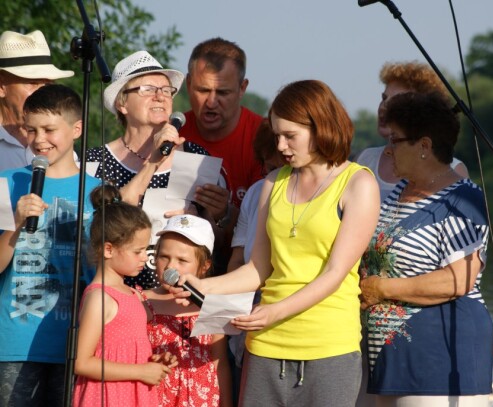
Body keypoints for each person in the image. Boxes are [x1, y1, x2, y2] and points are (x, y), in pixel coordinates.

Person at [170, 80, 380, 407]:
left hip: (329, 347)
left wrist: (274, 312)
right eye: (277, 135)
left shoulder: (358, 183)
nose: (281, 146)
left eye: (290, 136)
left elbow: (335, 274)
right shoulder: (272, 182)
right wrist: (203, 286)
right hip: (265, 345)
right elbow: (257, 269)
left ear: (321, 127)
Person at [359, 91, 492, 407]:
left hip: (438, 355)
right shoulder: (398, 193)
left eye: (395, 141)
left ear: (424, 146)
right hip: (390, 358)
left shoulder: (462, 199)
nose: (388, 151)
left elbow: (458, 280)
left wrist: (382, 288)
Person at [87, 50, 227, 288]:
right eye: (148, 89)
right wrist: (153, 161)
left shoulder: (197, 157)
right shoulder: (94, 163)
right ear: (122, 103)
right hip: (117, 301)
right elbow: (92, 235)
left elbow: (221, 245)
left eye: (165, 90)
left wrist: (216, 217)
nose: (160, 97)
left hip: (177, 304)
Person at [0, 84, 100, 406]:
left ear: (77, 128)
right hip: (15, 343)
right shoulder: (9, 181)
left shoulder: (99, 192)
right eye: (31, 130)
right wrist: (14, 227)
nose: (39, 140)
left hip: (75, 345)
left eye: (49, 129)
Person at [73, 184, 177, 407]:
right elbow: (81, 362)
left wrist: (153, 362)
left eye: (146, 249)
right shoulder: (100, 298)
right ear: (108, 249)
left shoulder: (131, 293)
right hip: (107, 397)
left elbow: (127, 350)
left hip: (133, 394)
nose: (144, 258)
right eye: (137, 251)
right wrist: (141, 371)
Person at [140, 214, 233, 407]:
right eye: (164, 256)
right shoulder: (142, 300)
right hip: (156, 397)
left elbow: (219, 362)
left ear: (204, 266)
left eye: (182, 260)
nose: (171, 266)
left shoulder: (210, 304)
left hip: (203, 398)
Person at [226, 119, 283, 405]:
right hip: (249, 321)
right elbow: (238, 261)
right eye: (271, 169)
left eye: (283, 167)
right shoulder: (256, 193)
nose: (276, 178)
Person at [355, 61, 468, 201]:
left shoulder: (453, 170)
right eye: (384, 98)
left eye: (396, 101)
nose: (384, 107)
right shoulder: (364, 159)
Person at [181, 37, 264, 213]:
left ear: (242, 88)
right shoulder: (171, 134)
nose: (211, 102)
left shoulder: (266, 139)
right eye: (203, 90)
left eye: (222, 92)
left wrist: (226, 213)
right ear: (188, 84)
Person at [0, 30, 74, 172]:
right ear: (1, 87)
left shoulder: (59, 139)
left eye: (47, 84)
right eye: (32, 83)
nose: (42, 92)